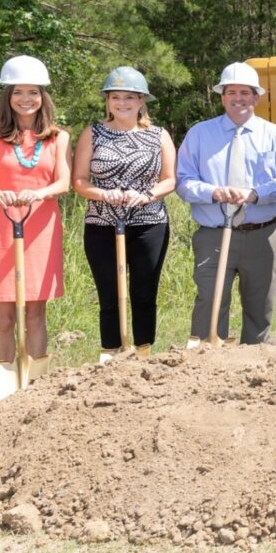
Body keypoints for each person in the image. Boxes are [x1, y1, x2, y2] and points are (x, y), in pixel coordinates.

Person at [0, 55, 71, 400]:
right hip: (2, 224)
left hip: (41, 225)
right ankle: (4, 390)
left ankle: (36, 388)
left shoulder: (58, 137)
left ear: (43, 96)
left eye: (33, 92)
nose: (26, 99)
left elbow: (63, 183)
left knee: (35, 313)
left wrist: (37, 193)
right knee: (3, 315)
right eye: (18, 92)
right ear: (8, 96)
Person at [175, 62, 276, 346]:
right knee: (210, 301)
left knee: (261, 305)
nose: (238, 98)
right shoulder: (200, 134)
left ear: (256, 97)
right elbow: (183, 181)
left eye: (245, 92)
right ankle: (206, 362)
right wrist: (213, 192)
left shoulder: (275, 135)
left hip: (264, 233)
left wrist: (255, 193)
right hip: (214, 233)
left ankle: (253, 363)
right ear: (222, 97)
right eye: (231, 92)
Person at [72, 67, 176, 362]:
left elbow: (169, 180)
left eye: (130, 97)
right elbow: (79, 181)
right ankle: (111, 355)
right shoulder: (93, 133)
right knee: (109, 296)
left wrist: (145, 196)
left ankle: (144, 355)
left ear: (142, 101)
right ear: (107, 100)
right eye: (115, 97)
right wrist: (104, 194)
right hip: (102, 224)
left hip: (148, 224)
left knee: (144, 293)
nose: (122, 103)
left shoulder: (159, 135)